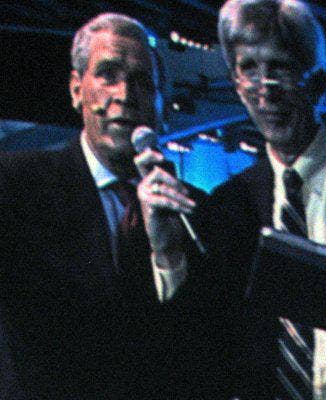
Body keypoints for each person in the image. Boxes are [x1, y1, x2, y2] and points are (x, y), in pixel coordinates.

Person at [0, 12, 214, 400]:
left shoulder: (195, 211)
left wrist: (168, 254)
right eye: (108, 75)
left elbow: (203, 348)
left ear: (160, 103)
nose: (126, 95)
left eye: (142, 82)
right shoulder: (15, 186)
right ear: (76, 89)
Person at [192, 0, 326, 398]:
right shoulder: (226, 209)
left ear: (317, 82)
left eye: (281, 67)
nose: (265, 89)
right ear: (236, 85)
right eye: (249, 68)